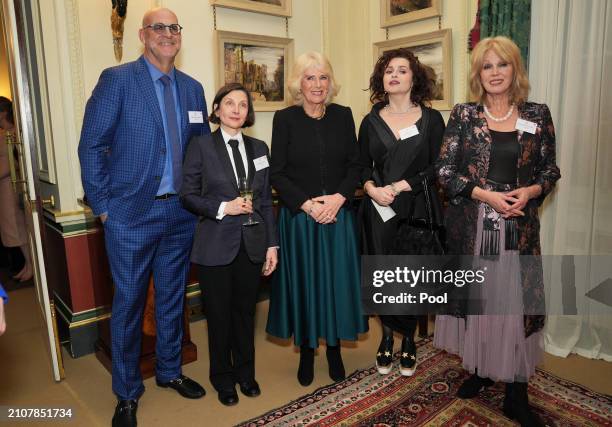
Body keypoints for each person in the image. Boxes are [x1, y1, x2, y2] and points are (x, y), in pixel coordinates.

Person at [78, 8, 210, 427]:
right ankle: (127, 393)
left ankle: (170, 371)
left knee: (173, 299)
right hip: (131, 215)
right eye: (159, 27)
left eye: (174, 28)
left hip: (180, 213)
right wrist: (104, 208)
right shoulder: (118, 80)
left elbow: (201, 151)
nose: (168, 34)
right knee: (130, 304)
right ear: (142, 35)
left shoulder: (192, 89)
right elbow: (91, 147)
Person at [433, 36, 560, 427]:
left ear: (514, 69)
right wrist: (486, 195)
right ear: (478, 73)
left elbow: (549, 170)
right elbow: (444, 172)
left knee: (516, 305)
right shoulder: (464, 115)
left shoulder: (537, 114)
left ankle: (516, 393)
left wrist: (532, 190)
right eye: (487, 66)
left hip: (519, 230)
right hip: (475, 227)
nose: (494, 73)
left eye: (501, 65)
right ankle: (483, 370)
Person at [266, 51, 368, 386]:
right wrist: (309, 206)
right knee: (307, 286)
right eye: (310, 77)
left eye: (323, 77)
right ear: (299, 83)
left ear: (331, 83)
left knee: (337, 284)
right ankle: (308, 350)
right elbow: (277, 174)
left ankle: (335, 347)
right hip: (301, 220)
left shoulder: (343, 115)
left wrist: (338, 198)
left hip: (338, 216)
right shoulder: (285, 120)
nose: (317, 84)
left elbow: (355, 165)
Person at [180, 83, 278, 406]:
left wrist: (272, 246)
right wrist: (224, 208)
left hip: (251, 244)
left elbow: (265, 202)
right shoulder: (201, 146)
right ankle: (222, 377)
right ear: (217, 109)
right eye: (229, 103)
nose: (237, 109)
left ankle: (245, 374)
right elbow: (188, 194)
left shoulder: (260, 148)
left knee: (245, 314)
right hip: (215, 246)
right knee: (219, 316)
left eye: (243, 105)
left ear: (248, 113)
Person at [357, 48, 445, 376]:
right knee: (382, 273)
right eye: (388, 70)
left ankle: (407, 338)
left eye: (402, 70)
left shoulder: (432, 119)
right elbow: (361, 165)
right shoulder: (370, 120)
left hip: (417, 205)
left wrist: (405, 184)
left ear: (414, 77)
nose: (394, 75)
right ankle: (386, 336)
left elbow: (441, 166)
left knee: (410, 275)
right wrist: (371, 189)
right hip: (378, 207)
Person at [0, 97, 33, 283]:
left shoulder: (12, 134)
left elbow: (12, 164)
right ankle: (28, 265)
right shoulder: (5, 134)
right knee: (14, 229)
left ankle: (30, 266)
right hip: (6, 187)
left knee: (17, 228)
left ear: (4, 112)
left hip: (11, 187)